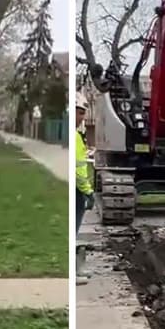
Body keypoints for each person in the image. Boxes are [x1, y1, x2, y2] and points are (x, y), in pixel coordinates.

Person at [74, 94, 94, 286]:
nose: (81, 118)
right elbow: (78, 170)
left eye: (82, 114)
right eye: (79, 113)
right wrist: (87, 191)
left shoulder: (76, 136)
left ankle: (75, 269)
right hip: (76, 189)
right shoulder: (74, 137)